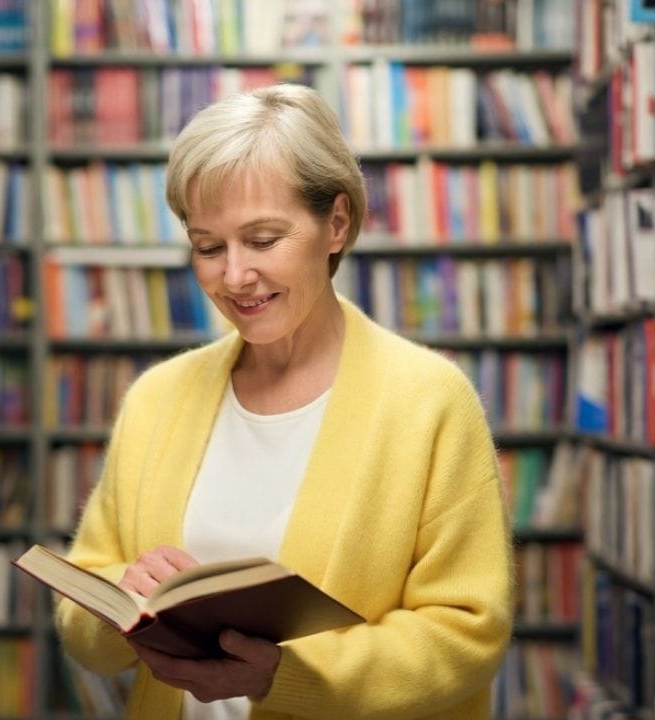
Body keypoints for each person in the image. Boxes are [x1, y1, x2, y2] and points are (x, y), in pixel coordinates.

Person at [53, 83, 513, 720]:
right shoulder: (157, 399)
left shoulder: (429, 402)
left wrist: (284, 677)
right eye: (208, 246)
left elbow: (468, 633)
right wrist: (120, 605)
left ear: (337, 223)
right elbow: (86, 610)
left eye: (264, 240)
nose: (234, 276)